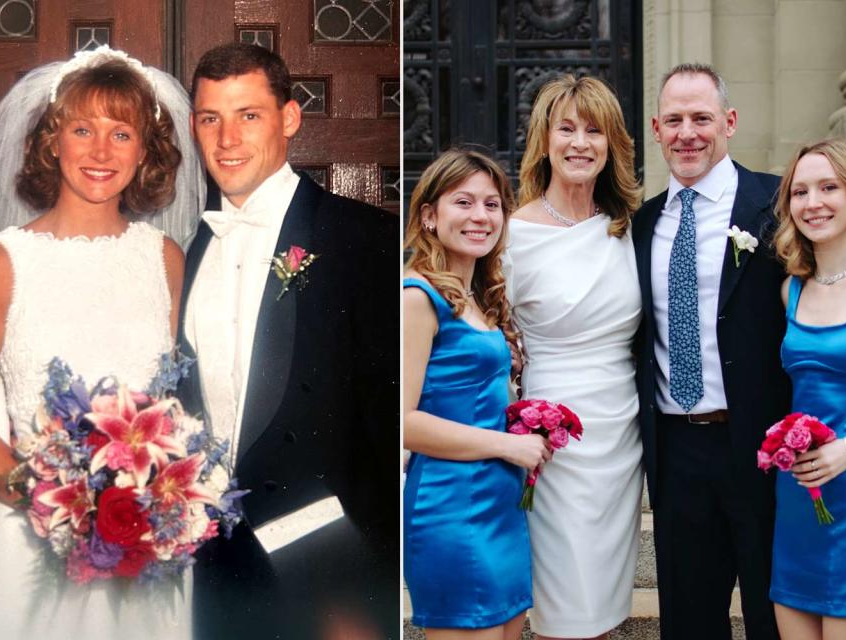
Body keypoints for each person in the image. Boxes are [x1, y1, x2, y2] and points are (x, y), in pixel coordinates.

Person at [0, 46, 204, 639]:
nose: (101, 152)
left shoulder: (164, 259)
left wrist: (148, 507)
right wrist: (63, 511)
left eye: (121, 133)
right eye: (82, 130)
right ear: (52, 142)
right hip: (38, 547)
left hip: (143, 547)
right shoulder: (4, 263)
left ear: (145, 150)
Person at [180, 43, 398, 639]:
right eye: (210, 118)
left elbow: (386, 431)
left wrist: (365, 589)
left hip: (329, 573)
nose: (227, 139)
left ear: (290, 119)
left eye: (248, 115)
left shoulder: (366, 239)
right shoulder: (187, 251)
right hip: (212, 569)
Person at [633, 62, 791, 640]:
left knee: (772, 616)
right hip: (676, 452)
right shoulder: (642, 224)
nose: (687, 133)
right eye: (673, 120)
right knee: (690, 621)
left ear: (729, 121)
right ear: (656, 128)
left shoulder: (778, 204)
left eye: (701, 118)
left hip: (762, 447)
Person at [503, 75, 643, 640]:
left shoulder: (631, 228)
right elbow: (490, 332)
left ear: (612, 144)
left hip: (621, 432)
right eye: (567, 128)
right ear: (545, 140)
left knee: (605, 601)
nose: (580, 142)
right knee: (564, 602)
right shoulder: (510, 234)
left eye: (595, 130)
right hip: (551, 440)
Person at [403, 148, 550, 640]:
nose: (480, 217)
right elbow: (401, 421)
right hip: (451, 507)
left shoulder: (478, 297)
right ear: (429, 215)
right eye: (463, 202)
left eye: (492, 205)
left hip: (500, 504)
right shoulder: (416, 298)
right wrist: (509, 445)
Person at [769, 138, 846, 640]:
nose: (812, 202)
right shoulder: (791, 288)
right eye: (800, 191)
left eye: (828, 188)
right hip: (800, 498)